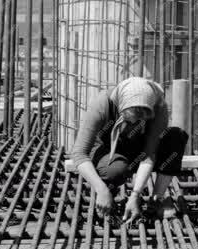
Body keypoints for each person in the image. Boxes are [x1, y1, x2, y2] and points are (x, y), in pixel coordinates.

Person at [70, 76, 188, 224]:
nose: (133, 124)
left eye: (139, 121)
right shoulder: (102, 104)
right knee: (115, 171)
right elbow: (79, 153)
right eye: (128, 120)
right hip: (109, 150)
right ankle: (107, 194)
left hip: (139, 148)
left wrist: (135, 195)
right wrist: (101, 189)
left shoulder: (158, 106)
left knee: (176, 136)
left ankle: (157, 199)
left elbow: (148, 154)